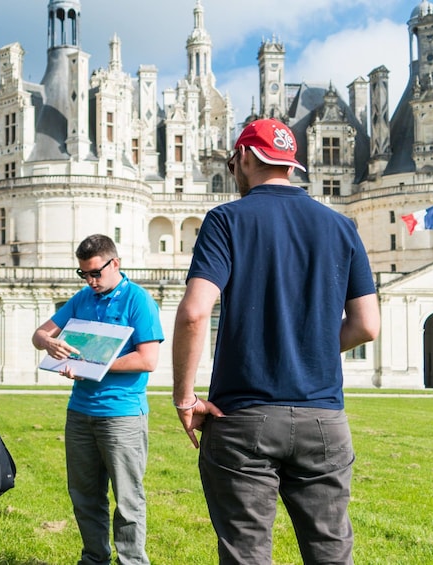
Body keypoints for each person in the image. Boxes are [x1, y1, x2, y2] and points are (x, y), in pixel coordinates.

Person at [172, 118, 380, 564]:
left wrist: (184, 398)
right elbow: (367, 325)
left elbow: (193, 312)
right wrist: (312, 347)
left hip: (242, 416)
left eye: (232, 163)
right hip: (323, 418)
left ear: (245, 158)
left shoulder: (226, 220)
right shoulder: (342, 227)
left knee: (246, 553)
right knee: (330, 552)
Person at [32, 234, 163, 565]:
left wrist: (92, 366)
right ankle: (94, 559)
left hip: (122, 414)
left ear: (114, 263)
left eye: (95, 274)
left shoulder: (139, 301)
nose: (90, 281)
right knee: (85, 496)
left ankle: (132, 562)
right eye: (83, 275)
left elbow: (148, 360)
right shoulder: (81, 298)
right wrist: (50, 344)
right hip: (80, 412)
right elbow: (39, 334)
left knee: (128, 499)